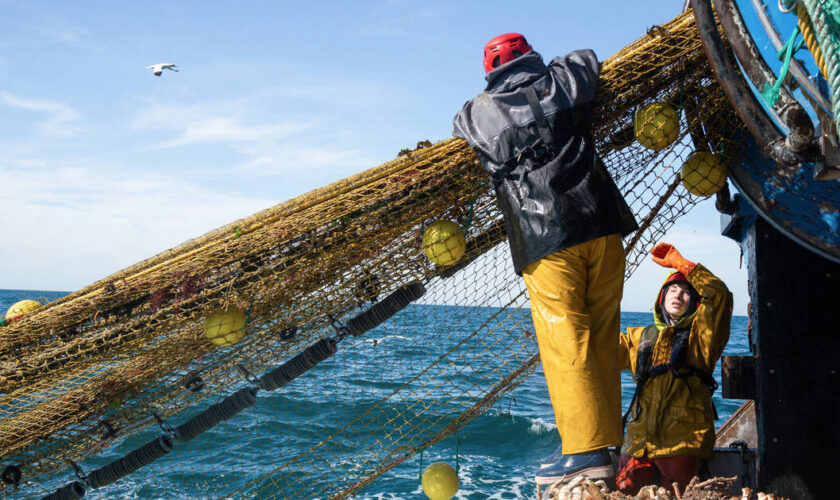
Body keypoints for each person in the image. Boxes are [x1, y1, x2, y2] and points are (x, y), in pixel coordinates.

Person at [452, 33, 638, 486]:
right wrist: (544, 73)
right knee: (600, 334)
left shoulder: (480, 111)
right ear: (531, 57)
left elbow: (460, 122)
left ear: (490, 74)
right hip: (602, 225)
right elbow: (585, 60)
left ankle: (584, 452)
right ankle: (603, 444)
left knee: (565, 343)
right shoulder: (563, 80)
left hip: (546, 238)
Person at [616, 242, 733, 495]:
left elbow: (719, 294)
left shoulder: (703, 337)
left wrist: (681, 265)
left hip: (682, 441)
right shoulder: (638, 336)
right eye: (672, 290)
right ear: (661, 297)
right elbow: (602, 351)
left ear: (695, 302)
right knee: (625, 493)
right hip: (637, 444)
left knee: (680, 495)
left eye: (686, 292)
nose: (678, 296)